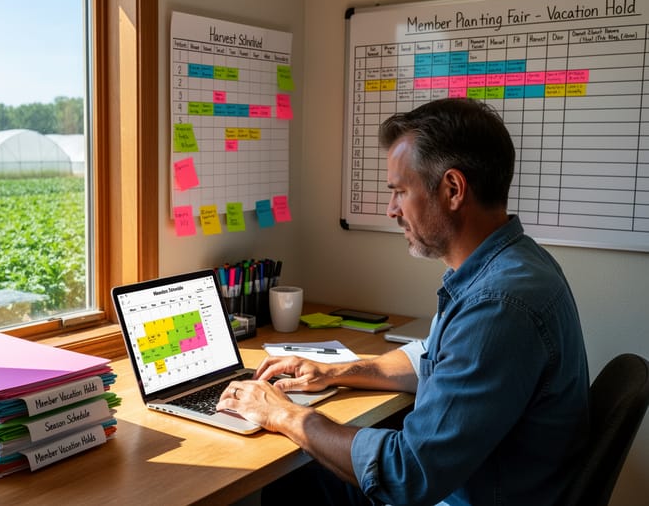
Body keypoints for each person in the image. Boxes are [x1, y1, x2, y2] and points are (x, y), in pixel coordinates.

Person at [216, 98, 590, 505]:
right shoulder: (515, 263)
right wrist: (335, 370)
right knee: (307, 477)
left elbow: (407, 474)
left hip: (468, 495)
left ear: (452, 189)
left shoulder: (498, 304)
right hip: (488, 482)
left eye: (399, 191)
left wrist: (284, 414)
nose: (392, 209)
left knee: (298, 479)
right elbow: (435, 358)